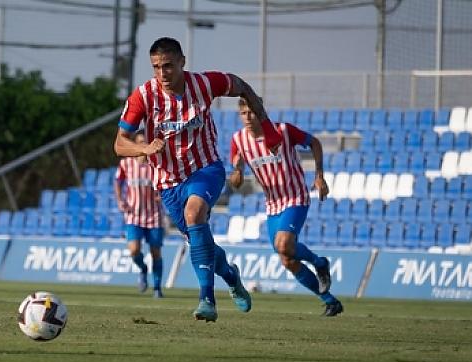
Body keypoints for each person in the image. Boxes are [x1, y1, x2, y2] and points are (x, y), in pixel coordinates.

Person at [114, 37, 281, 322]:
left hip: (205, 168)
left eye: (168, 65)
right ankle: (231, 276)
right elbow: (119, 144)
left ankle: (207, 299)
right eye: (156, 67)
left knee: (195, 214)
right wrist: (144, 148)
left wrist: (266, 126)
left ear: (182, 62)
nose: (162, 73)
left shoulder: (206, 83)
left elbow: (242, 86)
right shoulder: (143, 97)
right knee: (197, 238)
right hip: (167, 182)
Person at [229, 98, 344, 317]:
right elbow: (236, 177)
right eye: (244, 113)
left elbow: (315, 143)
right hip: (272, 205)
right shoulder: (238, 140)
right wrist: (236, 174)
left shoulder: (283, 131)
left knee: (283, 244)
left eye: (252, 112)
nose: (248, 117)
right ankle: (330, 300)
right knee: (287, 259)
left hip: (295, 197)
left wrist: (319, 176)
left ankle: (319, 263)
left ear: (261, 112)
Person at [114, 133, 166, 298]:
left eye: (145, 142)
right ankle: (143, 269)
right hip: (134, 215)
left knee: (156, 252)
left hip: (154, 215)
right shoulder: (126, 164)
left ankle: (157, 288)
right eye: (140, 142)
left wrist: (161, 193)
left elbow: (166, 182)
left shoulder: (156, 164)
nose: (144, 145)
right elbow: (118, 181)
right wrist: (120, 200)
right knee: (134, 250)